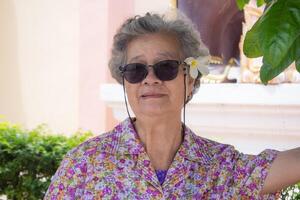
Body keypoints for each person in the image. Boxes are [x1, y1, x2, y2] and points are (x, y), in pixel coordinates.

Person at [44, 11, 300, 199]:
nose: (150, 79)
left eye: (166, 67)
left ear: (189, 80)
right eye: (136, 70)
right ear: (126, 82)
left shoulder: (220, 168)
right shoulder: (84, 165)